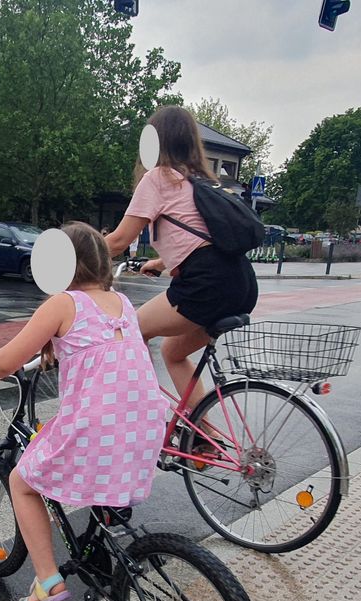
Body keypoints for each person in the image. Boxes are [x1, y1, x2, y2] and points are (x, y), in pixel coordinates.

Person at [0, 222, 166, 601]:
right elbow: (100, 344)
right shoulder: (122, 303)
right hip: (147, 423)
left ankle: (47, 581)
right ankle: (101, 548)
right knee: (103, 466)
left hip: (96, 428)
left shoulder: (62, 304)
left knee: (22, 483)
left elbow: (5, 361)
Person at [104, 104, 258, 410]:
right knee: (173, 352)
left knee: (132, 328)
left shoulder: (160, 177)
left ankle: (142, 411)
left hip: (206, 284)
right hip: (241, 282)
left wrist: (73, 258)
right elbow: (205, 239)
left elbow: (120, 240)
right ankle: (203, 437)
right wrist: (161, 262)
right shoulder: (200, 181)